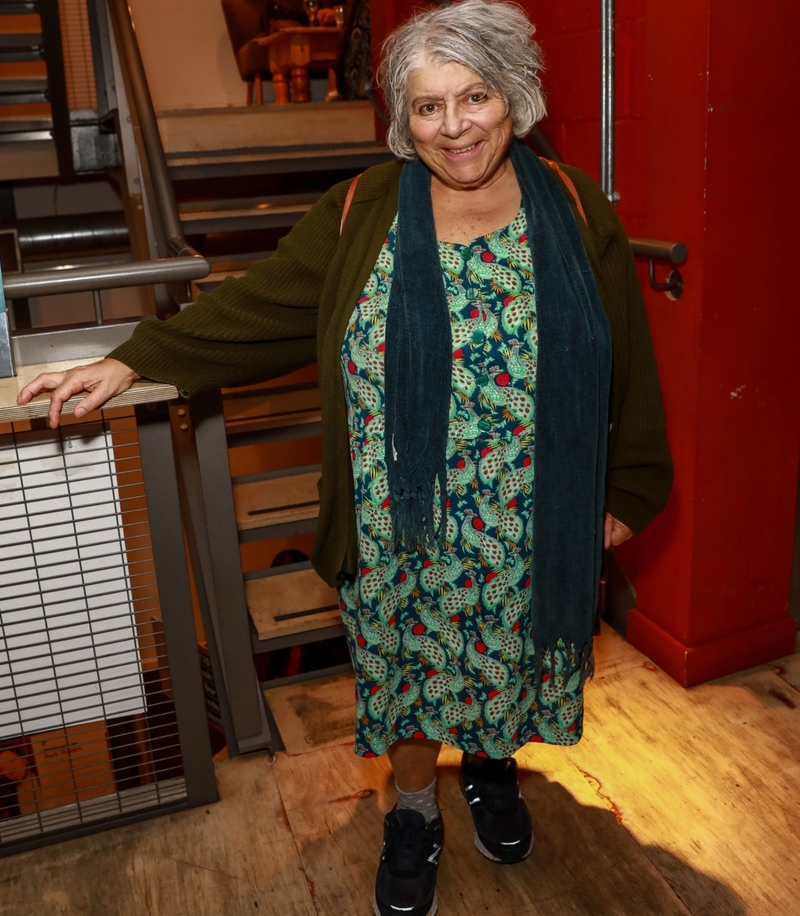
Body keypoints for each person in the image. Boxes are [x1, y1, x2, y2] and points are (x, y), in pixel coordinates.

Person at [18, 2, 672, 913]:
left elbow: (624, 360)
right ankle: (414, 808)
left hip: (529, 516)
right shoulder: (360, 211)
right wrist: (134, 357)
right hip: (396, 522)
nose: (454, 128)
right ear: (403, 119)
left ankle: (491, 773)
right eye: (428, 107)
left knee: (504, 668)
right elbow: (256, 310)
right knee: (410, 686)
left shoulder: (571, 206)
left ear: (514, 98)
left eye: (474, 97)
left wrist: (630, 488)